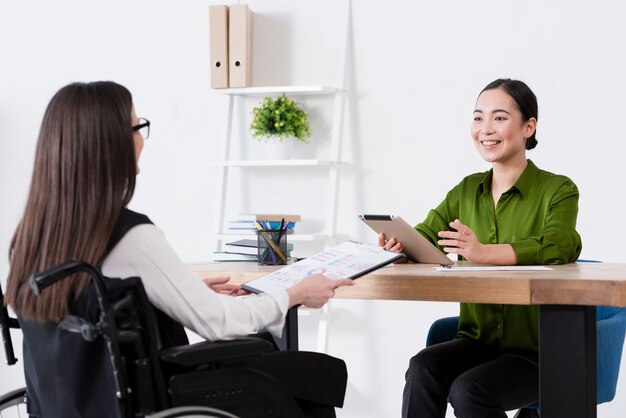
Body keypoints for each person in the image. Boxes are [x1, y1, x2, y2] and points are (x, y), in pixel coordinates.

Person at [5, 81, 353, 418]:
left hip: (73, 402)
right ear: (110, 144)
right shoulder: (130, 235)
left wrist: (171, 295)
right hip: (156, 396)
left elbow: (93, 306)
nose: (142, 139)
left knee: (281, 360)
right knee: (311, 376)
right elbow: (219, 322)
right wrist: (292, 293)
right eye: (137, 127)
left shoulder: (35, 237)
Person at [379, 78, 582, 418]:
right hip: (478, 344)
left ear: (528, 127)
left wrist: (485, 252)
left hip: (539, 354)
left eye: (499, 118)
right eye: (478, 117)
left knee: (470, 390)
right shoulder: (466, 190)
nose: (485, 128)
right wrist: (400, 246)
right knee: (422, 367)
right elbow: (427, 237)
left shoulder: (558, 189)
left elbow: (560, 245)